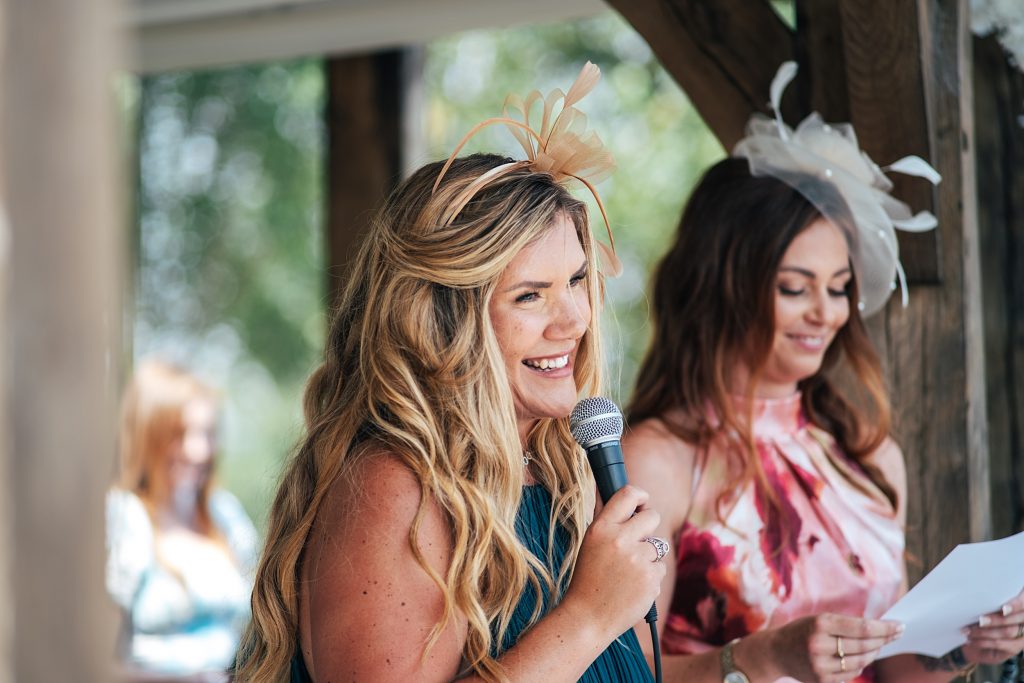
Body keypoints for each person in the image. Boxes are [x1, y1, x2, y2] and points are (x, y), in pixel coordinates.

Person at [233, 63, 666, 683]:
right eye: (529, 296)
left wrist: (748, 658)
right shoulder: (395, 486)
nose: (574, 320)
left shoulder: (560, 469)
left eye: (575, 280)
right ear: (443, 320)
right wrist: (591, 616)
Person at [621, 62, 1024, 683]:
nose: (827, 313)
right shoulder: (658, 460)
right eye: (794, 287)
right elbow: (623, 672)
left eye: (839, 289)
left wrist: (960, 649)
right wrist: (754, 657)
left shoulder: (868, 458)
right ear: (721, 286)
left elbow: (891, 674)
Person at [107, 359, 258, 682]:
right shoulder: (125, 518)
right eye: (180, 434)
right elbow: (98, 655)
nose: (198, 450)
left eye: (207, 433)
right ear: (147, 436)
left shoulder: (224, 514)